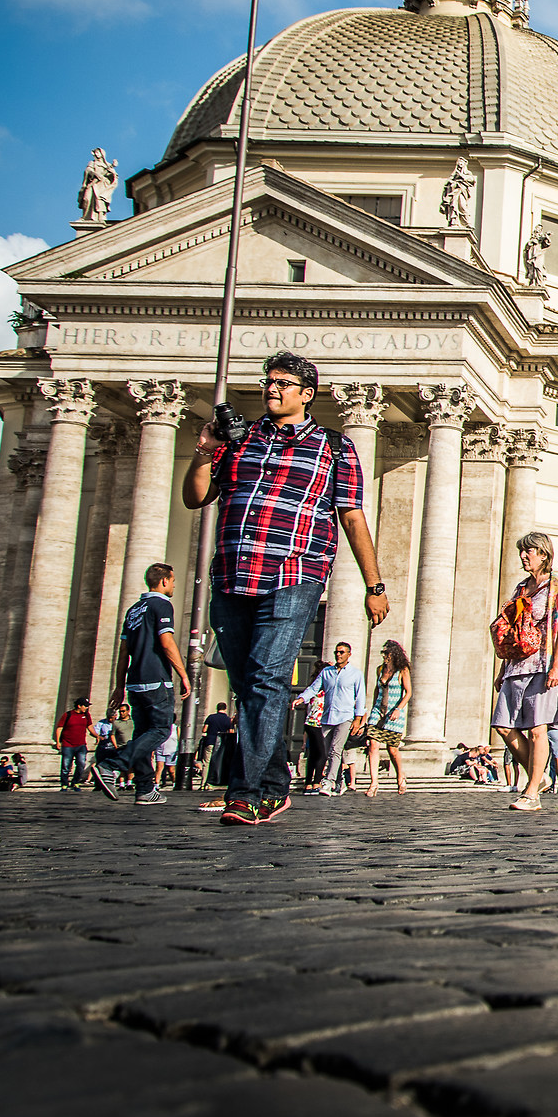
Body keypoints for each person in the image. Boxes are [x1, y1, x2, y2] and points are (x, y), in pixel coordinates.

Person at [181, 350, 388, 827]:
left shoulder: (334, 447)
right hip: (232, 573)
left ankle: (247, 792)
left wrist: (373, 584)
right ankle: (274, 787)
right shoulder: (239, 440)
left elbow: (352, 516)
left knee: (266, 679)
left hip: (294, 574)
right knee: (249, 686)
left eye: (282, 383)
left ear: (307, 394)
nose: (271, 389)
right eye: (268, 381)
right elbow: (196, 498)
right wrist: (205, 450)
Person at [94, 563, 189, 806]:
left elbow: (123, 651)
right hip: (156, 679)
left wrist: (119, 686)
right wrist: (183, 674)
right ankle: (111, 765)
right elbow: (166, 642)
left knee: (141, 735)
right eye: (173, 580)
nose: (174, 585)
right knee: (161, 730)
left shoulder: (133, 610)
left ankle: (145, 789)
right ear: (164, 581)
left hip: (135, 682)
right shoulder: (161, 605)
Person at [491, 532, 558, 812]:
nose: (524, 556)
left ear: (543, 554)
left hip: (544, 664)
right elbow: (514, 628)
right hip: (517, 665)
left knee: (538, 729)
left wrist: (557, 666)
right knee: (503, 725)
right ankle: (541, 776)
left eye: (529, 551)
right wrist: (503, 668)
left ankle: (532, 792)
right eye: (522, 551)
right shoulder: (521, 588)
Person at [292, 639, 365, 798]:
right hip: (327, 717)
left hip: (345, 717)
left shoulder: (356, 674)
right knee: (326, 751)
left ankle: (328, 782)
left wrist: (358, 719)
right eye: (336, 652)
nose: (338, 655)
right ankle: (340, 781)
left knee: (335, 750)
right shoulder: (326, 672)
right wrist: (302, 698)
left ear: (349, 654)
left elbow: (360, 698)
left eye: (341, 652)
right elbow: (314, 688)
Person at [364, 640, 413, 795]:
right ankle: (374, 783)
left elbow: (408, 692)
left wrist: (398, 709)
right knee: (373, 745)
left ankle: (400, 775)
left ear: (394, 654)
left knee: (392, 750)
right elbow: (377, 690)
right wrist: (372, 709)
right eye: (383, 653)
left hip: (394, 712)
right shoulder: (380, 669)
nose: (384, 656)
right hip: (378, 712)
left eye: (387, 653)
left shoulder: (402, 670)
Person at [55, 699, 94, 790]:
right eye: (85, 706)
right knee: (66, 766)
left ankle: (75, 782)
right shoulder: (68, 715)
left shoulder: (86, 715)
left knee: (81, 764)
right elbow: (59, 728)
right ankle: (64, 784)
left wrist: (97, 736)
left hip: (81, 745)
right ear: (79, 706)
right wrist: (58, 742)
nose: (86, 707)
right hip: (68, 744)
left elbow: (90, 727)